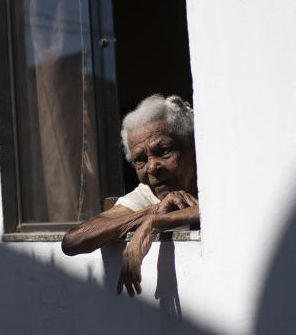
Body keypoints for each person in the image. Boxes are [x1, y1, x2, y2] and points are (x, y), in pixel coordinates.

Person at [62, 94, 199, 297]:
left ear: (192, 147)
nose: (152, 167)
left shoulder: (212, 178)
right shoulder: (146, 194)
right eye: (140, 160)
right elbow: (73, 242)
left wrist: (154, 223)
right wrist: (150, 212)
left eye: (164, 151)